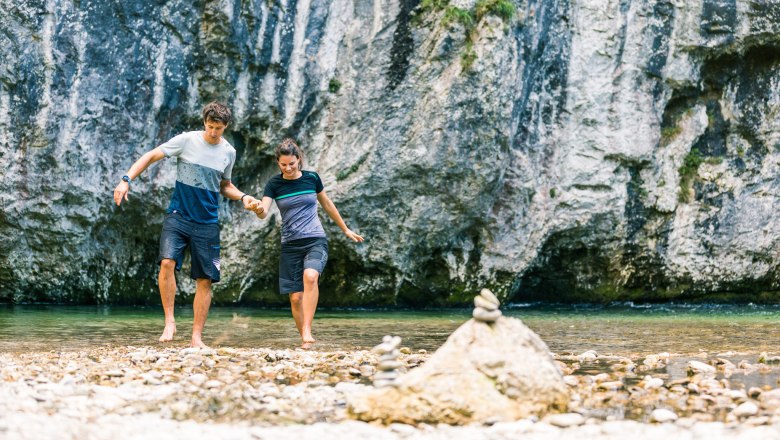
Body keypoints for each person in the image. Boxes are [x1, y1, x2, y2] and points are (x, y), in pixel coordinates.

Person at [113, 102, 258, 348]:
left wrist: (244, 197)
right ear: (204, 123)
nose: (213, 132)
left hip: (207, 222)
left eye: (219, 128)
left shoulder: (228, 152)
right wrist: (126, 180)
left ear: (226, 127)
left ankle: (196, 337)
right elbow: (151, 156)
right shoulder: (186, 140)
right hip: (178, 216)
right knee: (167, 262)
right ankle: (169, 321)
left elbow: (224, 185)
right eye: (210, 127)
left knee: (204, 280)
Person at [251, 138, 364, 349]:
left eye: (292, 164)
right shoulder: (274, 184)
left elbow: (327, 204)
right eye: (283, 164)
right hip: (290, 244)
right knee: (295, 298)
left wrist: (345, 229)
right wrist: (257, 208)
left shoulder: (312, 178)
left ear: (299, 159)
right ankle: (304, 338)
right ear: (278, 163)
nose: (288, 168)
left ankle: (307, 331)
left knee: (310, 276)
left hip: (315, 240)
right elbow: (264, 211)